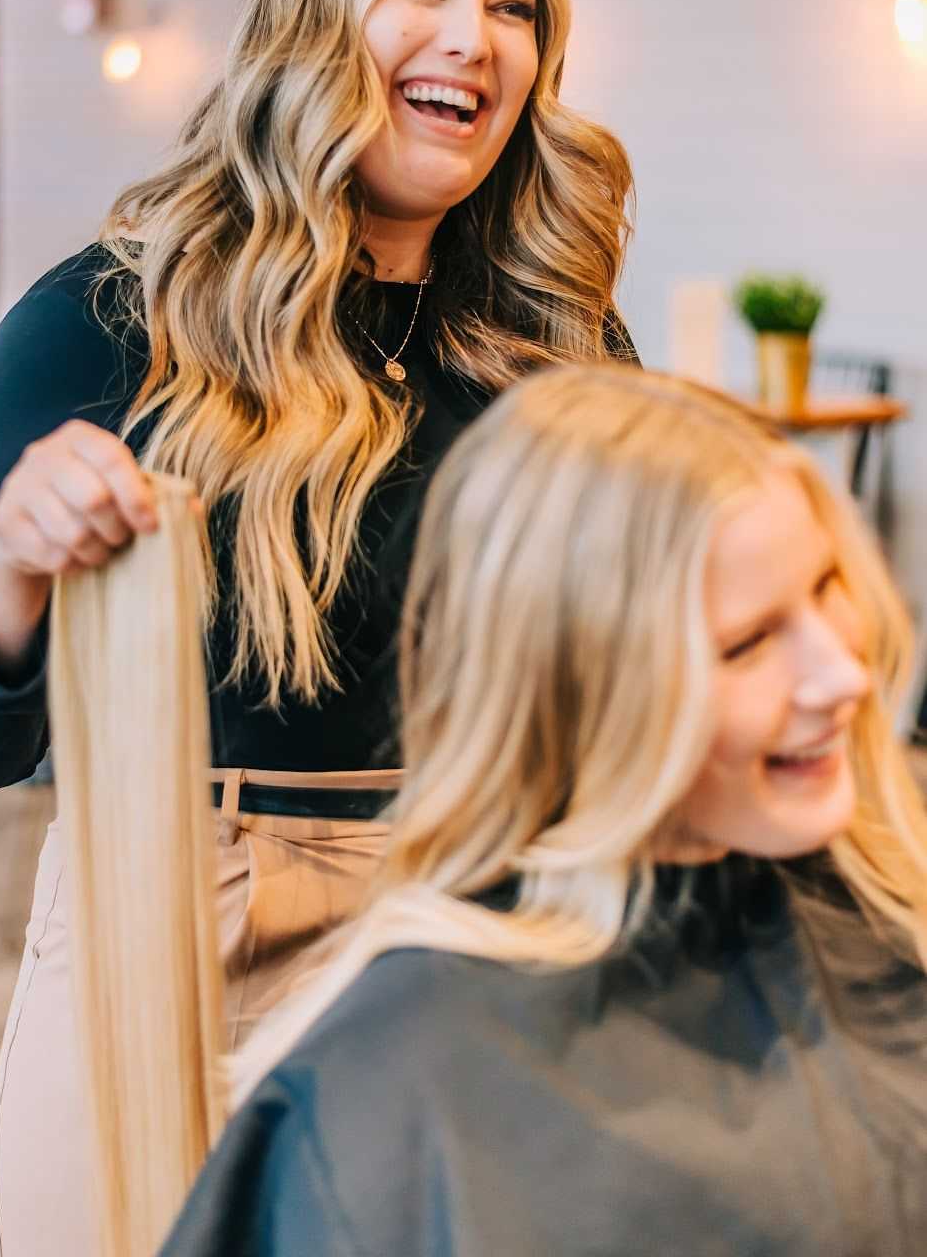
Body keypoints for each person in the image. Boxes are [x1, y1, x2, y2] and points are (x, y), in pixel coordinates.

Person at [0, 0, 637, 1255]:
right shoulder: (113, 319)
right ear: (314, 16)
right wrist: (13, 574)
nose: (474, 35)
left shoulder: (558, 343)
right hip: (175, 917)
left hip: (467, 922)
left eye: (516, 6)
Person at [161, 365, 927, 1257]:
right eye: (748, 643)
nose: (844, 674)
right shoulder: (402, 1084)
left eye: (828, 586)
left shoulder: (880, 910)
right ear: (578, 687)